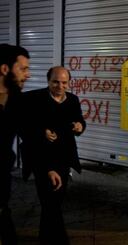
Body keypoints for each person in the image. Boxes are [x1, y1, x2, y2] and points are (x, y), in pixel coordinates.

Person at [20, 66, 85, 245]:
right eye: (55, 82)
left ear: (69, 82)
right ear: (48, 80)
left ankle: (48, 238)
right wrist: (42, 131)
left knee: (54, 203)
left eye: (64, 82)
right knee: (50, 202)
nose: (60, 86)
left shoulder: (73, 100)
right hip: (41, 158)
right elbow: (22, 128)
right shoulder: (33, 99)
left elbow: (80, 121)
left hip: (64, 158)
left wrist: (80, 126)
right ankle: (58, 240)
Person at [0, 43, 30, 245]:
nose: (27, 75)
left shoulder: (18, 101)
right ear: (4, 69)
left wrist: (50, 168)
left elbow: (31, 136)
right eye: (23, 68)